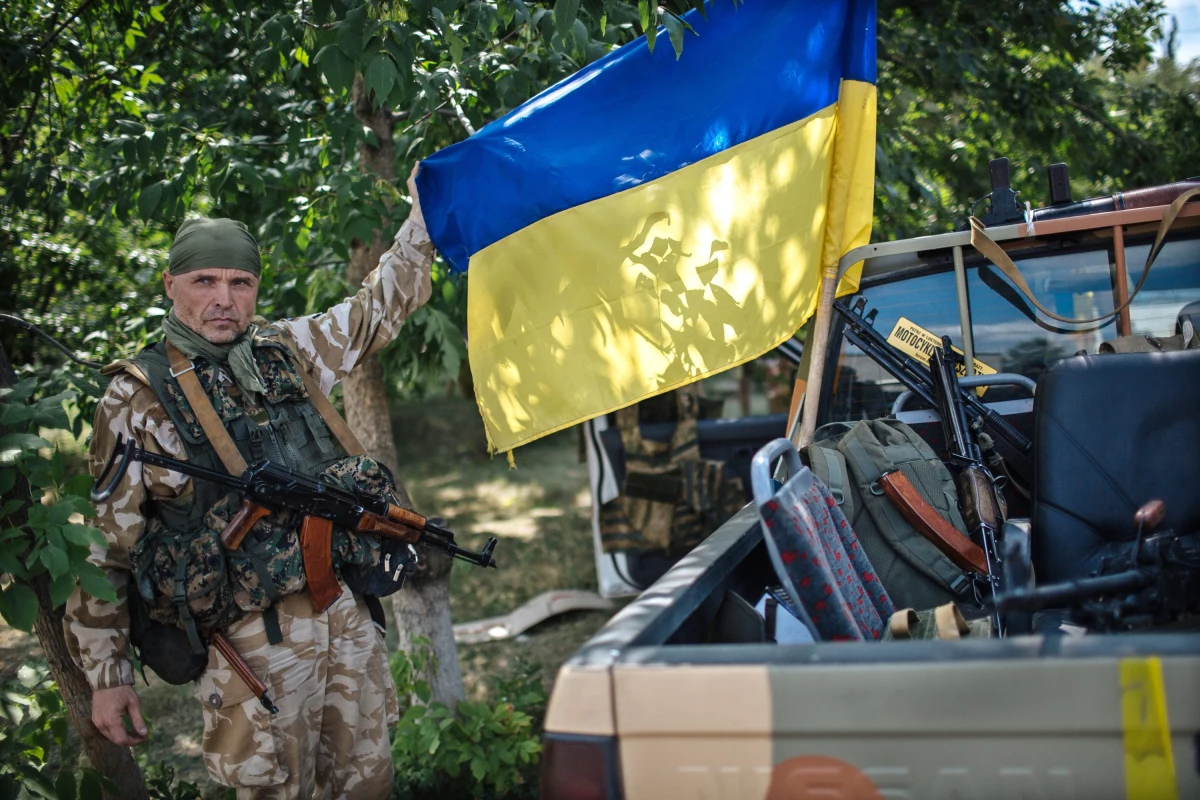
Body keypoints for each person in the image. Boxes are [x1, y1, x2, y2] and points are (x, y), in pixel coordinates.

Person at [63, 166, 433, 798]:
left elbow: (374, 310)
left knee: (368, 783)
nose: (223, 299)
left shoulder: (286, 348)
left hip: (344, 617)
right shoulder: (137, 398)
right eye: (204, 281)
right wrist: (108, 674)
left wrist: (422, 222)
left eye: (240, 283)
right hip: (251, 648)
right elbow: (104, 550)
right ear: (171, 285)